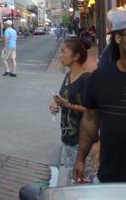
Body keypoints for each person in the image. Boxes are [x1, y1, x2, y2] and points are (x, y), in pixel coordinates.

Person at [74, 8, 126, 183]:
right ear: (118, 38)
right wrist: (81, 158)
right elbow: (90, 119)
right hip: (110, 179)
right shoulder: (100, 78)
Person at [49, 37, 92, 184]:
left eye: (64, 52)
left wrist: (68, 105)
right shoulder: (68, 75)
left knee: (84, 182)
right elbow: (62, 98)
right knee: (74, 181)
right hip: (68, 139)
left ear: (76, 56)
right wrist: (56, 105)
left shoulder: (87, 78)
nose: (60, 55)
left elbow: (92, 111)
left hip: (83, 143)